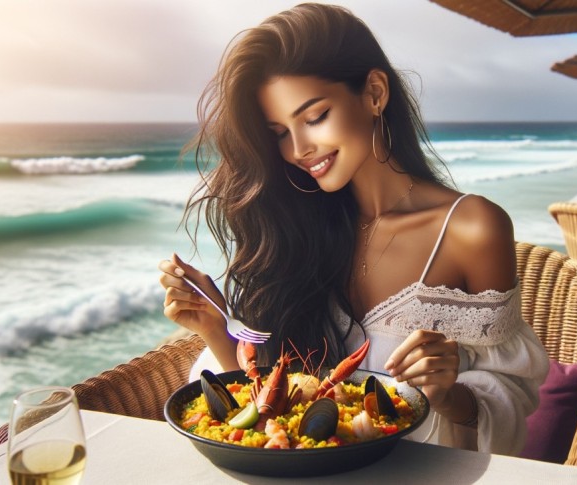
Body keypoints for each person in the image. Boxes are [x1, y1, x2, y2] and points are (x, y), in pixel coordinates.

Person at [158, 3, 548, 455]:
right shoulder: (299, 230)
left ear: (375, 93)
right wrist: (215, 330)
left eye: (314, 116)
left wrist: (446, 394)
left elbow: (512, 401)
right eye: (280, 132)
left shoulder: (472, 229)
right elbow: (272, 409)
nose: (299, 149)